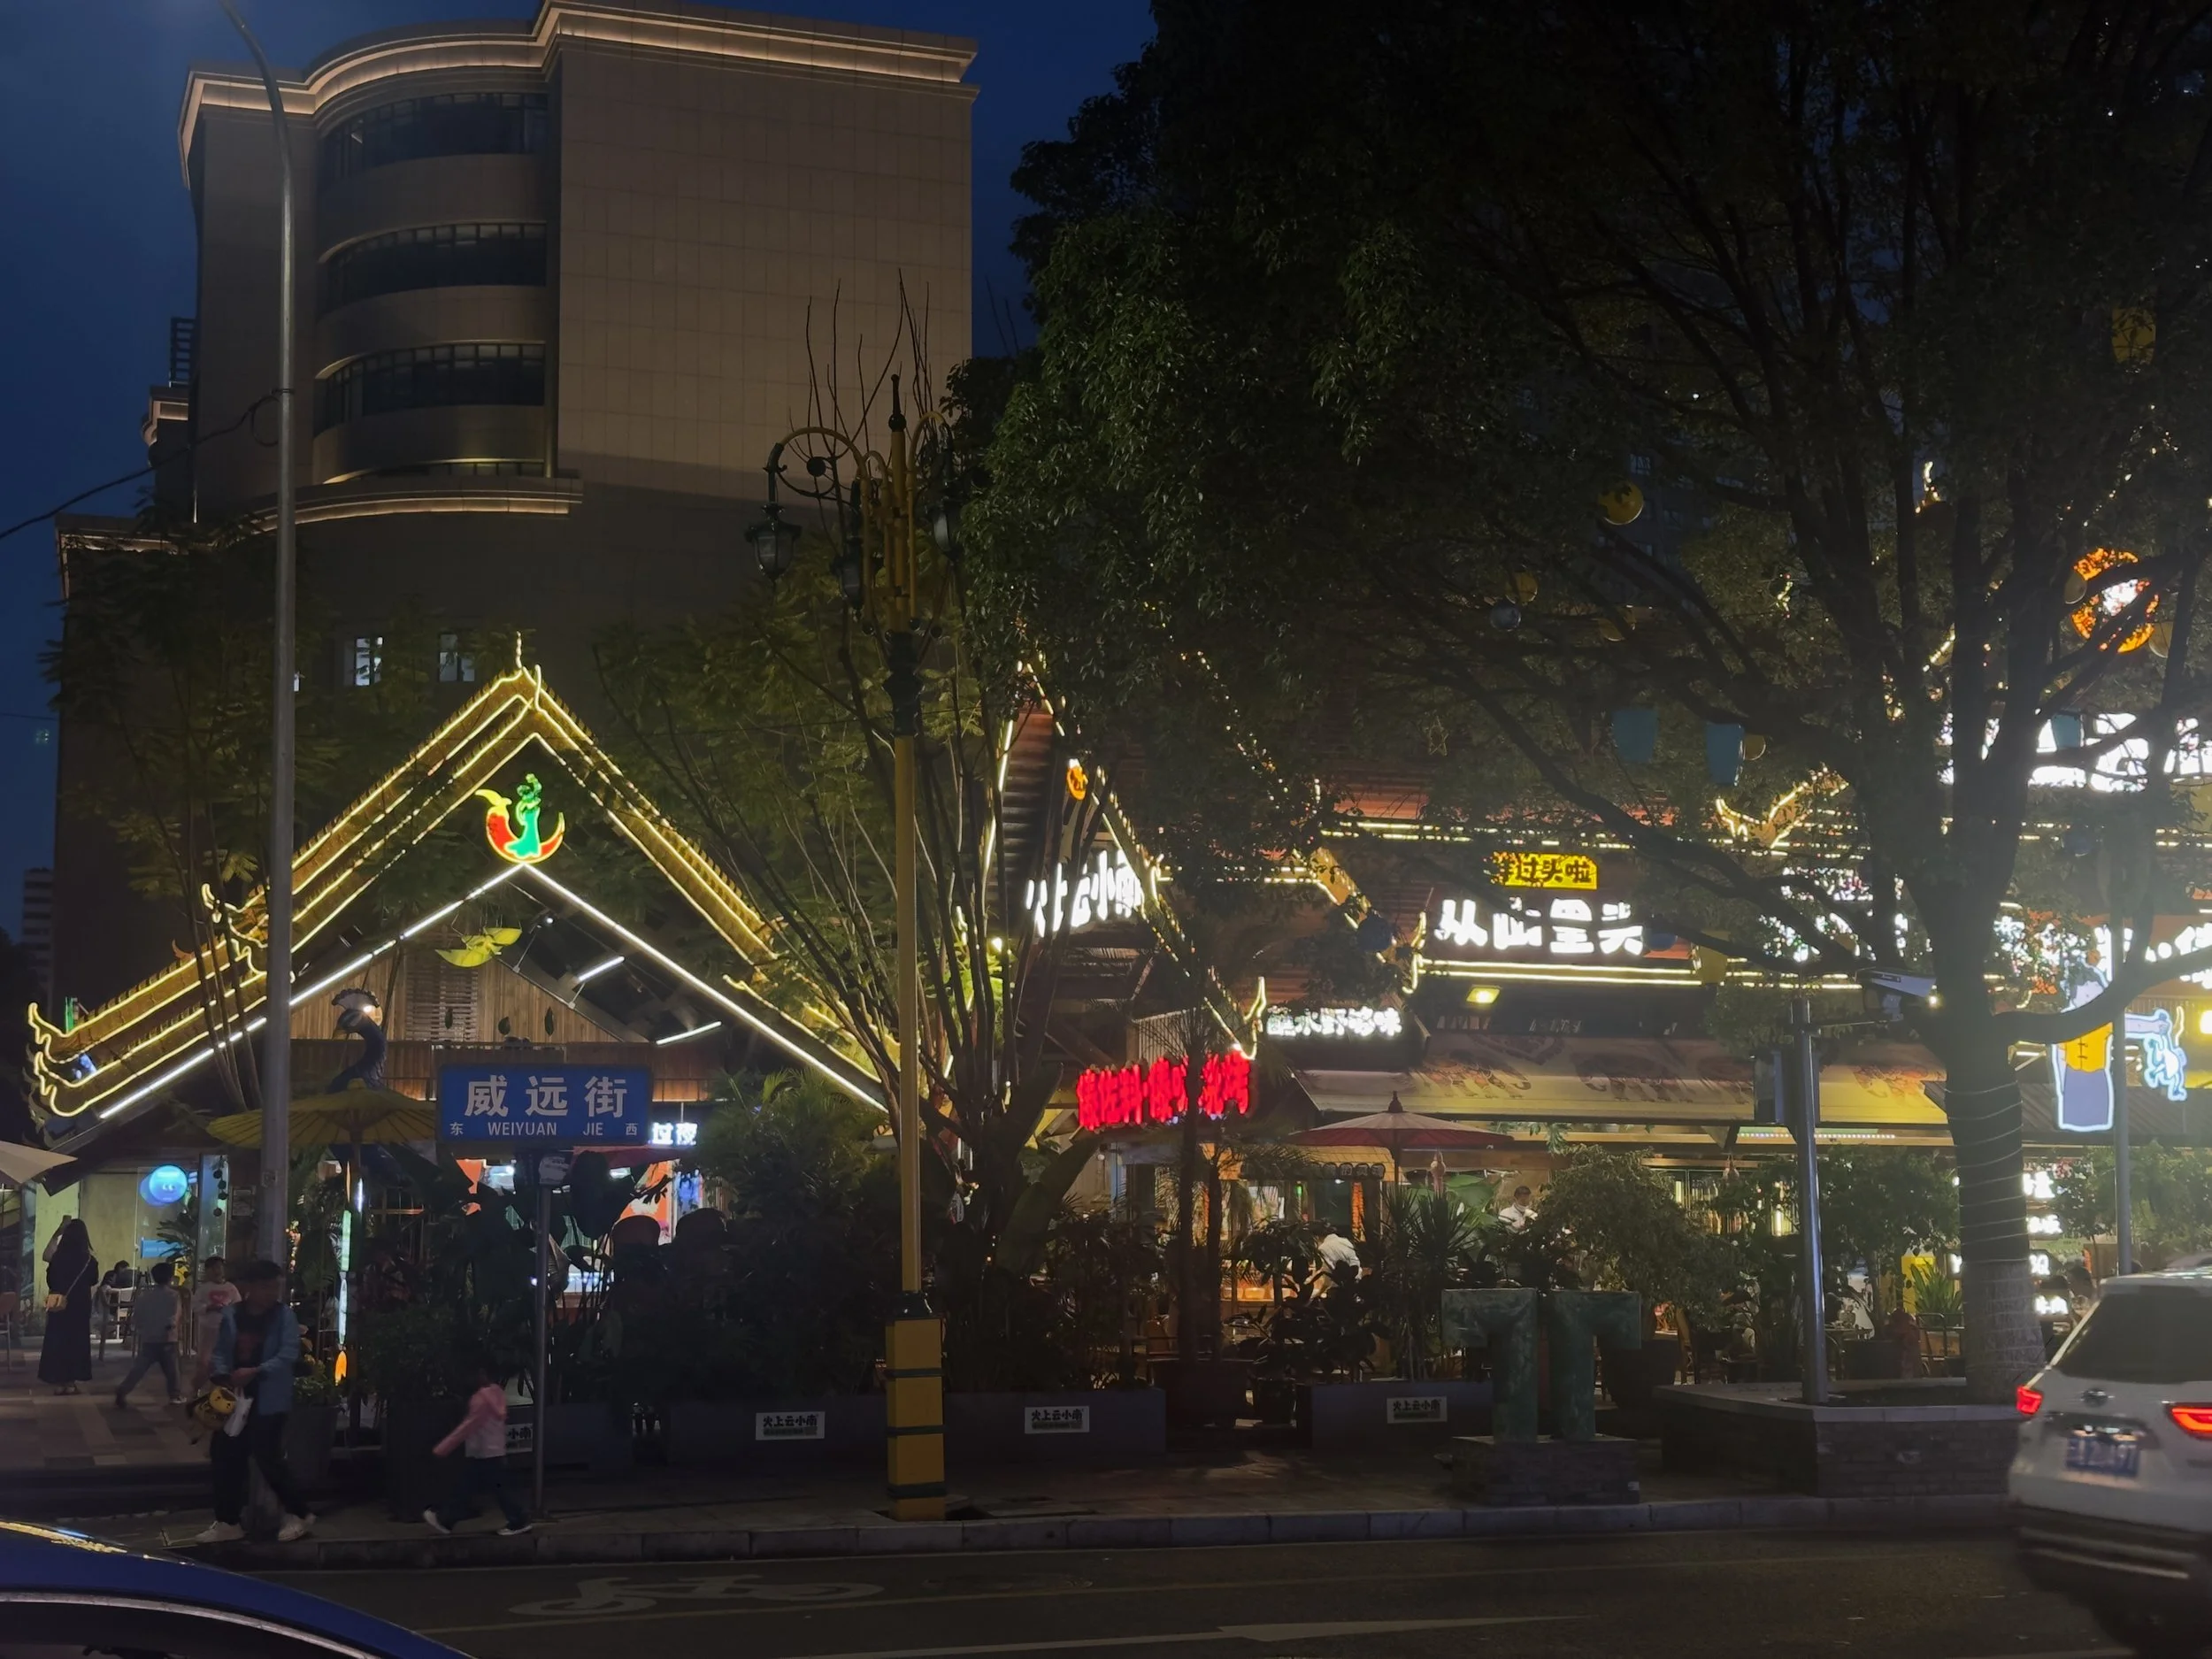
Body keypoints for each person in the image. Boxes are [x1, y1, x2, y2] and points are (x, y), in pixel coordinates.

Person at [190, 1260, 314, 1545]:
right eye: (265, 1287)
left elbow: (287, 1354)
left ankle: (299, 1512)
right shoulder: (234, 1315)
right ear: (249, 1287)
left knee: (267, 1455)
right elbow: (222, 1350)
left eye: (275, 1287)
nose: (271, 1293)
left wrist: (256, 1371)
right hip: (235, 1396)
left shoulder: (283, 1316)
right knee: (224, 1455)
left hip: (268, 1397)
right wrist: (224, 1374)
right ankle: (228, 1521)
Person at [423, 1360, 532, 1536]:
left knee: (470, 1488)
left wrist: (442, 1448)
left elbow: (467, 1427)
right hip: (493, 1450)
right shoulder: (497, 1393)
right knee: (489, 1488)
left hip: (482, 1452)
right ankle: (448, 1520)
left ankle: (447, 1519)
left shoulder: (480, 1400)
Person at [114, 1259, 184, 1407]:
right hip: (167, 1339)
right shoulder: (173, 1295)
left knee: (139, 1369)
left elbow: (137, 1317)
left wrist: (142, 1329)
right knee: (172, 1370)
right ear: (171, 1277)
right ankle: (174, 1395)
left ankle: (123, 1389)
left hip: (149, 1338)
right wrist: (172, 1329)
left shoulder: (144, 1296)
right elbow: (173, 1316)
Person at [37, 1218, 95, 1394]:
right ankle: (71, 1382)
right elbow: (93, 1280)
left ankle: (58, 1381)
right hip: (80, 1307)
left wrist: (58, 1232)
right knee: (76, 1342)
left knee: (58, 1341)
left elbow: (46, 1255)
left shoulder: (58, 1258)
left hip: (58, 1305)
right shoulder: (89, 1260)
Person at [189, 1256, 239, 1391]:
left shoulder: (231, 1288)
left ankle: (218, 1390)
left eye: (220, 1267)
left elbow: (238, 1306)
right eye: (214, 1268)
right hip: (208, 1329)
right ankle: (196, 1387)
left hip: (226, 1330)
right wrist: (209, 1308)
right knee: (204, 1362)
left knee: (223, 1362)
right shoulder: (203, 1289)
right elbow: (195, 1306)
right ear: (208, 1271)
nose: (218, 1271)